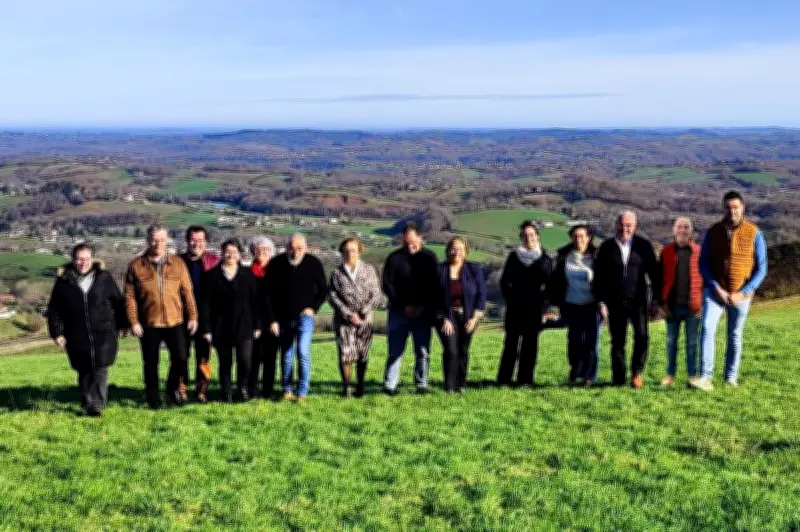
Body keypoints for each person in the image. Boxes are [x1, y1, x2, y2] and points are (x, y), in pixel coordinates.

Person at [692, 191, 768, 391]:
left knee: (734, 335)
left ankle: (730, 378)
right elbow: (703, 264)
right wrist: (716, 288)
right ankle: (705, 377)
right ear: (723, 208)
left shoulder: (755, 233)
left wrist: (745, 291)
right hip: (715, 292)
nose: (732, 211)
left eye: (735, 207)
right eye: (728, 207)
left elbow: (762, 268)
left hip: (741, 294)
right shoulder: (713, 231)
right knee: (707, 329)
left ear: (743, 208)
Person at [46, 244, 127, 416]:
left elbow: (117, 303)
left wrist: (123, 324)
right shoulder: (63, 282)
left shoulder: (104, 278)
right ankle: (87, 399)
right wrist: (57, 333)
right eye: (79, 259)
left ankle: (95, 406)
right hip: (76, 333)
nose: (83, 263)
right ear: (73, 260)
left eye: (86, 259)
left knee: (100, 366)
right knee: (84, 368)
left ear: (93, 260)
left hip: (103, 331)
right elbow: (54, 310)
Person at [124, 223, 198, 409]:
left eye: (162, 240)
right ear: (148, 240)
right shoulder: (136, 266)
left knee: (181, 357)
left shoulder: (178, 264)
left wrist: (193, 317)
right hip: (149, 323)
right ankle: (153, 397)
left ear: (167, 240)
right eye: (154, 240)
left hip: (176, 321)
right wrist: (133, 321)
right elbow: (130, 297)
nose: (158, 244)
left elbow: (187, 292)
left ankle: (173, 389)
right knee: (150, 363)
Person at [594, 211, 661, 389]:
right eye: (622, 225)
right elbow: (598, 278)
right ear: (616, 225)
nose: (625, 229)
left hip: (638, 301)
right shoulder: (606, 247)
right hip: (614, 301)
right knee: (617, 341)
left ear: (635, 226)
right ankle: (618, 377)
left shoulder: (644, 246)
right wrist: (601, 302)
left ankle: (637, 373)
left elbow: (655, 276)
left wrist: (655, 301)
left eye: (629, 225)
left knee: (642, 337)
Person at [265, 234, 328, 403]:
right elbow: (267, 295)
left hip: (304, 317)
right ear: (287, 247)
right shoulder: (276, 264)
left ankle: (302, 391)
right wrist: (272, 319)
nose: (296, 251)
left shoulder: (313, 263)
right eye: (292, 248)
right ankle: (287, 389)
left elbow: (323, 290)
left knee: (303, 352)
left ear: (306, 248)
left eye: (300, 248)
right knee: (286, 354)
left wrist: (313, 308)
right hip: (282, 317)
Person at [382, 222, 439, 395]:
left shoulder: (430, 258)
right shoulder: (393, 258)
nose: (410, 246)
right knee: (395, 350)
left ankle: (421, 384)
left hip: (423, 313)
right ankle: (390, 385)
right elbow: (387, 285)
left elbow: (434, 286)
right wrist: (403, 306)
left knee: (422, 350)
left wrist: (422, 307)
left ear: (421, 239)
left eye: (413, 242)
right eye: (406, 242)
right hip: (399, 312)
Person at [201, 239, 262, 402]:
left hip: (244, 325)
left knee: (244, 360)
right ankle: (226, 392)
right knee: (225, 362)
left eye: (234, 252)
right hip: (220, 326)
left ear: (240, 255)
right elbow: (205, 305)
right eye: (227, 252)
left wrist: (257, 325)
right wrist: (206, 329)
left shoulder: (248, 275)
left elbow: (255, 301)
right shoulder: (211, 276)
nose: (230, 255)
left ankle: (242, 387)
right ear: (222, 253)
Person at [497, 221, 555, 386]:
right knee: (510, 345)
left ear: (537, 236)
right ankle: (504, 380)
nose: (528, 238)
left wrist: (543, 306)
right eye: (525, 235)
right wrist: (510, 300)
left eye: (531, 235)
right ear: (521, 238)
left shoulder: (545, 259)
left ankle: (525, 380)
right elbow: (504, 282)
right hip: (515, 308)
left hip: (535, 309)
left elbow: (550, 287)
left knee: (530, 346)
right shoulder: (514, 257)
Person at [328, 237, 383, 397]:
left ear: (359, 251)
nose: (349, 253)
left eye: (353, 250)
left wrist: (363, 313)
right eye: (346, 250)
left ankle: (360, 385)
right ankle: (347, 388)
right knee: (345, 354)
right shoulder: (336, 273)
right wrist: (348, 314)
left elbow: (376, 294)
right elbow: (332, 296)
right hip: (344, 320)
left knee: (362, 354)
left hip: (364, 319)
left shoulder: (369, 269)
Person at [551, 225, 601, 387]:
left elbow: (604, 280)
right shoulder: (564, 256)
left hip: (592, 305)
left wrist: (603, 302)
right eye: (575, 236)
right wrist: (555, 302)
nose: (578, 240)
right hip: (571, 305)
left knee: (592, 343)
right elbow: (557, 280)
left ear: (589, 238)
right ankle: (576, 371)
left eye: (582, 236)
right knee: (574, 341)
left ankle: (590, 377)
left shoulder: (597, 256)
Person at [435, 236, 486, 393]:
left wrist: (474, 318)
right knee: (451, 350)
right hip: (446, 318)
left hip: (468, 317)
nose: (456, 252)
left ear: (466, 252)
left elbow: (481, 295)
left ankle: (461, 384)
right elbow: (434, 297)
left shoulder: (474, 270)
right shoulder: (440, 270)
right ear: (448, 250)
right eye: (453, 248)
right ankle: (449, 386)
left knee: (463, 350)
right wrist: (444, 318)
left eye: (460, 249)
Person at [659, 217, 703, 386]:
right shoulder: (666, 252)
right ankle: (670, 375)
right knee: (671, 343)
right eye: (679, 227)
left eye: (686, 227)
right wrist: (662, 304)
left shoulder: (699, 252)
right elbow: (660, 279)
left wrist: (703, 305)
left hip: (693, 307)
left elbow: (706, 281)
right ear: (673, 230)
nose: (683, 230)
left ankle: (692, 376)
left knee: (692, 343)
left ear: (691, 231)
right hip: (671, 307)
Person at [179, 225, 219, 403]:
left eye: (200, 240)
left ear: (206, 242)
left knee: (203, 357)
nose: (196, 244)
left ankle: (202, 391)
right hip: (181, 316)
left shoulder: (214, 261)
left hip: (206, 318)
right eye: (193, 240)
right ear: (187, 241)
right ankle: (181, 389)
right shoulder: (177, 262)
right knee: (181, 355)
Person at [248, 236, 280, 399]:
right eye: (258, 249)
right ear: (252, 251)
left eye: (266, 250)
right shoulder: (247, 273)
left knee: (270, 358)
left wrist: (274, 320)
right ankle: (251, 391)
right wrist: (256, 324)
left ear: (271, 252)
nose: (262, 253)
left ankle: (268, 391)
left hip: (273, 321)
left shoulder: (277, 272)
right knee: (253, 358)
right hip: (254, 322)